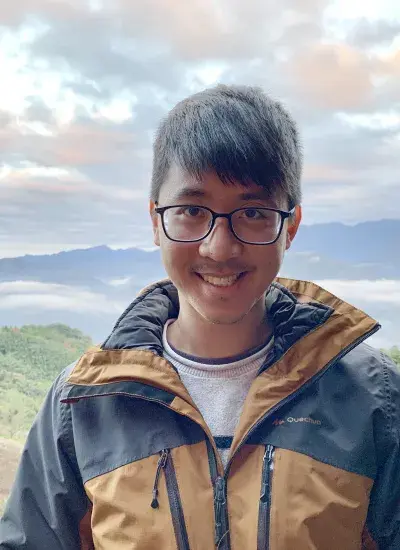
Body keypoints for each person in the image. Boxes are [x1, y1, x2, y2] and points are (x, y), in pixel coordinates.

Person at [1, 84, 399, 550]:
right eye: (191, 210)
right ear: (155, 220)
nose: (219, 248)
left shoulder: (374, 399)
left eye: (252, 212)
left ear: (289, 227)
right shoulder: (83, 404)